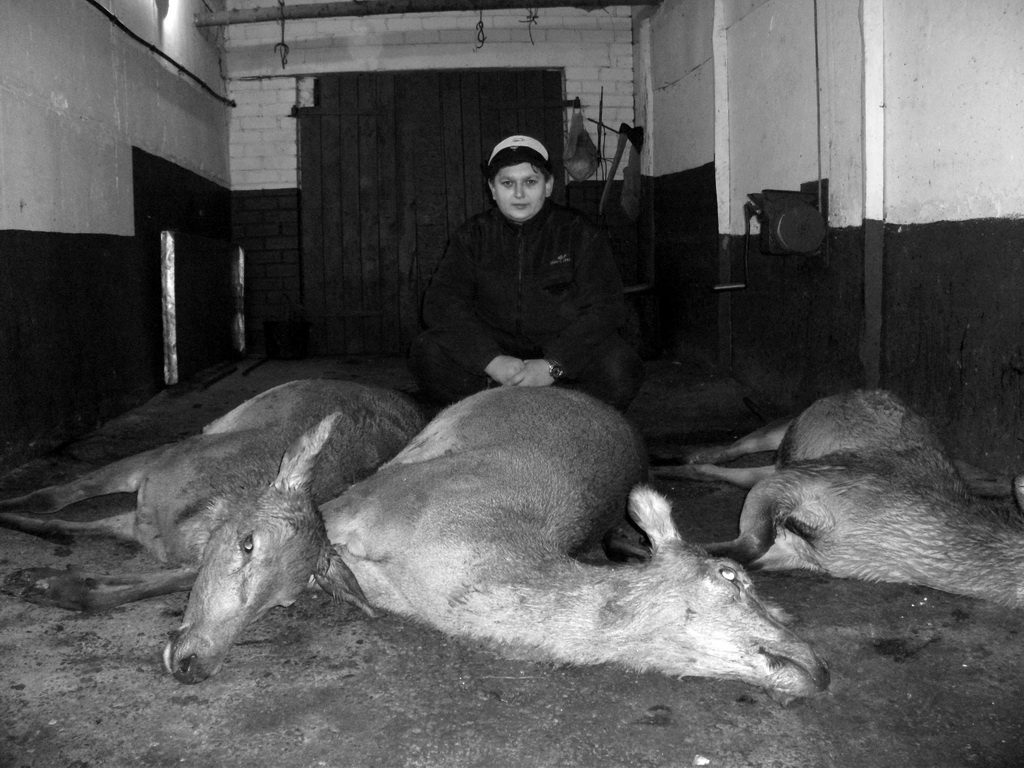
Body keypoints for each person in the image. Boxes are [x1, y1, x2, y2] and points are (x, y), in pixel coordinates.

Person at [408, 134, 644, 411]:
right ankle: (497, 400)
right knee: (427, 351)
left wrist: (553, 365)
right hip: (496, 352)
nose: (519, 194)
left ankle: (554, 408)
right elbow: (440, 303)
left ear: (548, 185)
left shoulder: (580, 233)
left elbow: (607, 307)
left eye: (530, 182)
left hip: (561, 351)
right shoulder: (472, 237)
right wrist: (490, 361)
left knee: (620, 367)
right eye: (507, 183)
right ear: (492, 189)